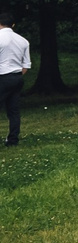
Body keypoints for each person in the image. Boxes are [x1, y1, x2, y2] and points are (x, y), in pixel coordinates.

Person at [0, 8, 27, 146]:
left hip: (2, 77)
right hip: (17, 77)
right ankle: (13, 140)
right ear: (13, 25)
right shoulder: (23, 41)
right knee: (14, 111)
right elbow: (26, 65)